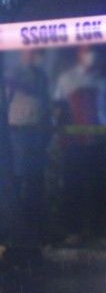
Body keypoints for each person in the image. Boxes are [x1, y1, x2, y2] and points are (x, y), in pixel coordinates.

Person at [53, 46, 106, 242]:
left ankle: (99, 233)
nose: (91, 55)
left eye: (93, 50)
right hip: (74, 144)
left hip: (100, 143)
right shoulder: (66, 79)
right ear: (78, 54)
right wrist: (61, 137)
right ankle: (73, 232)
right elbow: (58, 111)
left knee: (99, 187)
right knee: (73, 187)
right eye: (86, 51)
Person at [5, 49, 50, 242]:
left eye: (34, 52)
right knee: (18, 179)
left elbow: (45, 100)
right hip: (18, 132)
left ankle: (35, 228)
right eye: (28, 52)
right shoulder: (12, 74)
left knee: (35, 180)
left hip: (37, 132)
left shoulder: (41, 75)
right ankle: (16, 230)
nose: (32, 55)